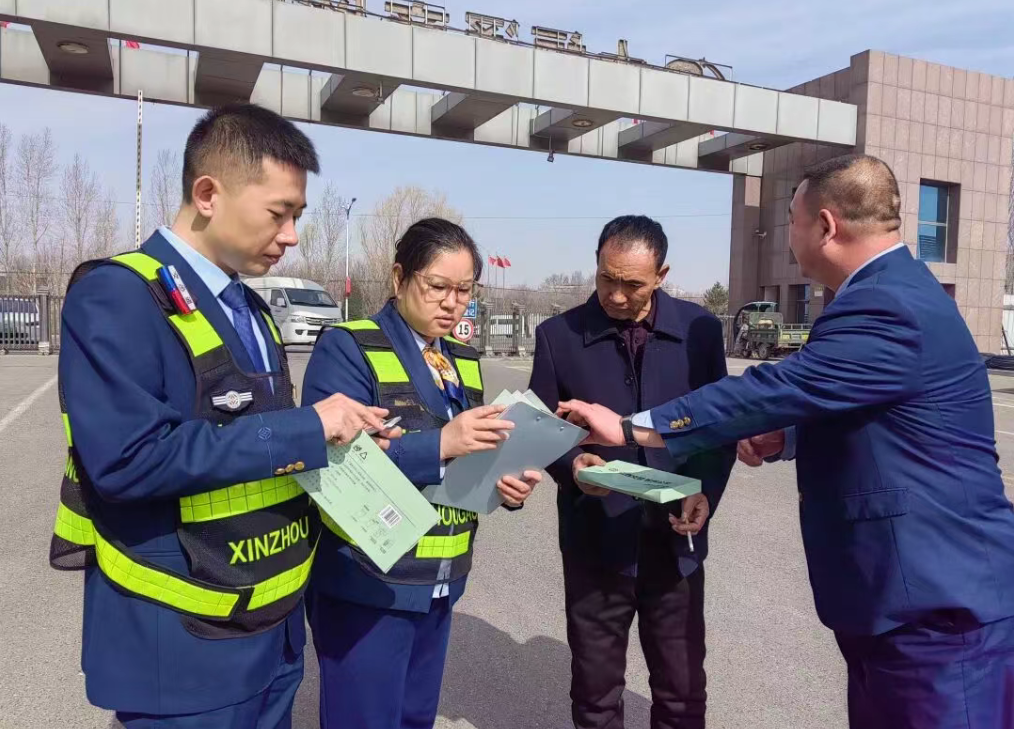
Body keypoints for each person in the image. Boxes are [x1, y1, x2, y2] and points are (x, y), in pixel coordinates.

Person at [557, 154, 1014, 729]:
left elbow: (771, 390)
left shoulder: (884, 304)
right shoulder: (890, 291)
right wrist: (789, 434)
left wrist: (629, 428)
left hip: (936, 611)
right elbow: (868, 406)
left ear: (825, 225)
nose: (786, 236)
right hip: (903, 604)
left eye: (791, 221)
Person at [52, 104, 391, 728]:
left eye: (298, 216)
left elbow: (257, 446)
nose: (292, 235)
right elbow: (128, 461)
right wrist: (308, 427)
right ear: (208, 194)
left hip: (271, 630)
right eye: (279, 213)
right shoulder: (118, 295)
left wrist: (340, 444)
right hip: (185, 644)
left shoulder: (250, 310)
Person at [301, 217, 542, 729]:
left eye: (464, 290)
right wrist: (442, 442)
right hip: (368, 585)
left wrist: (505, 484)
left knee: (415, 719)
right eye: (437, 286)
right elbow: (332, 464)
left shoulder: (463, 361)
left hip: (441, 579)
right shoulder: (348, 347)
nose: (452, 303)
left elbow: (467, 464)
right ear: (398, 277)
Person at [527, 215, 735, 729]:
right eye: (606, 278)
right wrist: (572, 465)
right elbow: (538, 427)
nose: (616, 295)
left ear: (661, 275)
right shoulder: (558, 336)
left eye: (633, 284)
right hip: (595, 542)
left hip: (676, 542)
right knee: (595, 694)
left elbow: (718, 428)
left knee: (682, 691)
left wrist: (705, 493)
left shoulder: (700, 332)